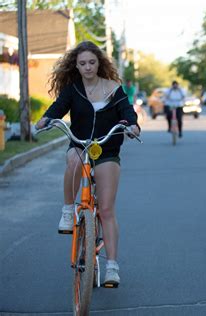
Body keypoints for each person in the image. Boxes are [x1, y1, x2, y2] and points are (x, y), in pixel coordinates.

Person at [35, 41, 140, 287]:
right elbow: (57, 108)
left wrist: (132, 125)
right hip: (80, 144)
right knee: (73, 158)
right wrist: (45, 119)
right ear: (77, 65)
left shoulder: (114, 88)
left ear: (99, 63)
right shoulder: (73, 90)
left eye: (92, 62)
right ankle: (67, 209)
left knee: (105, 210)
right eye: (82, 63)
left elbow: (127, 111)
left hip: (107, 148)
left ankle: (112, 266)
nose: (87, 67)